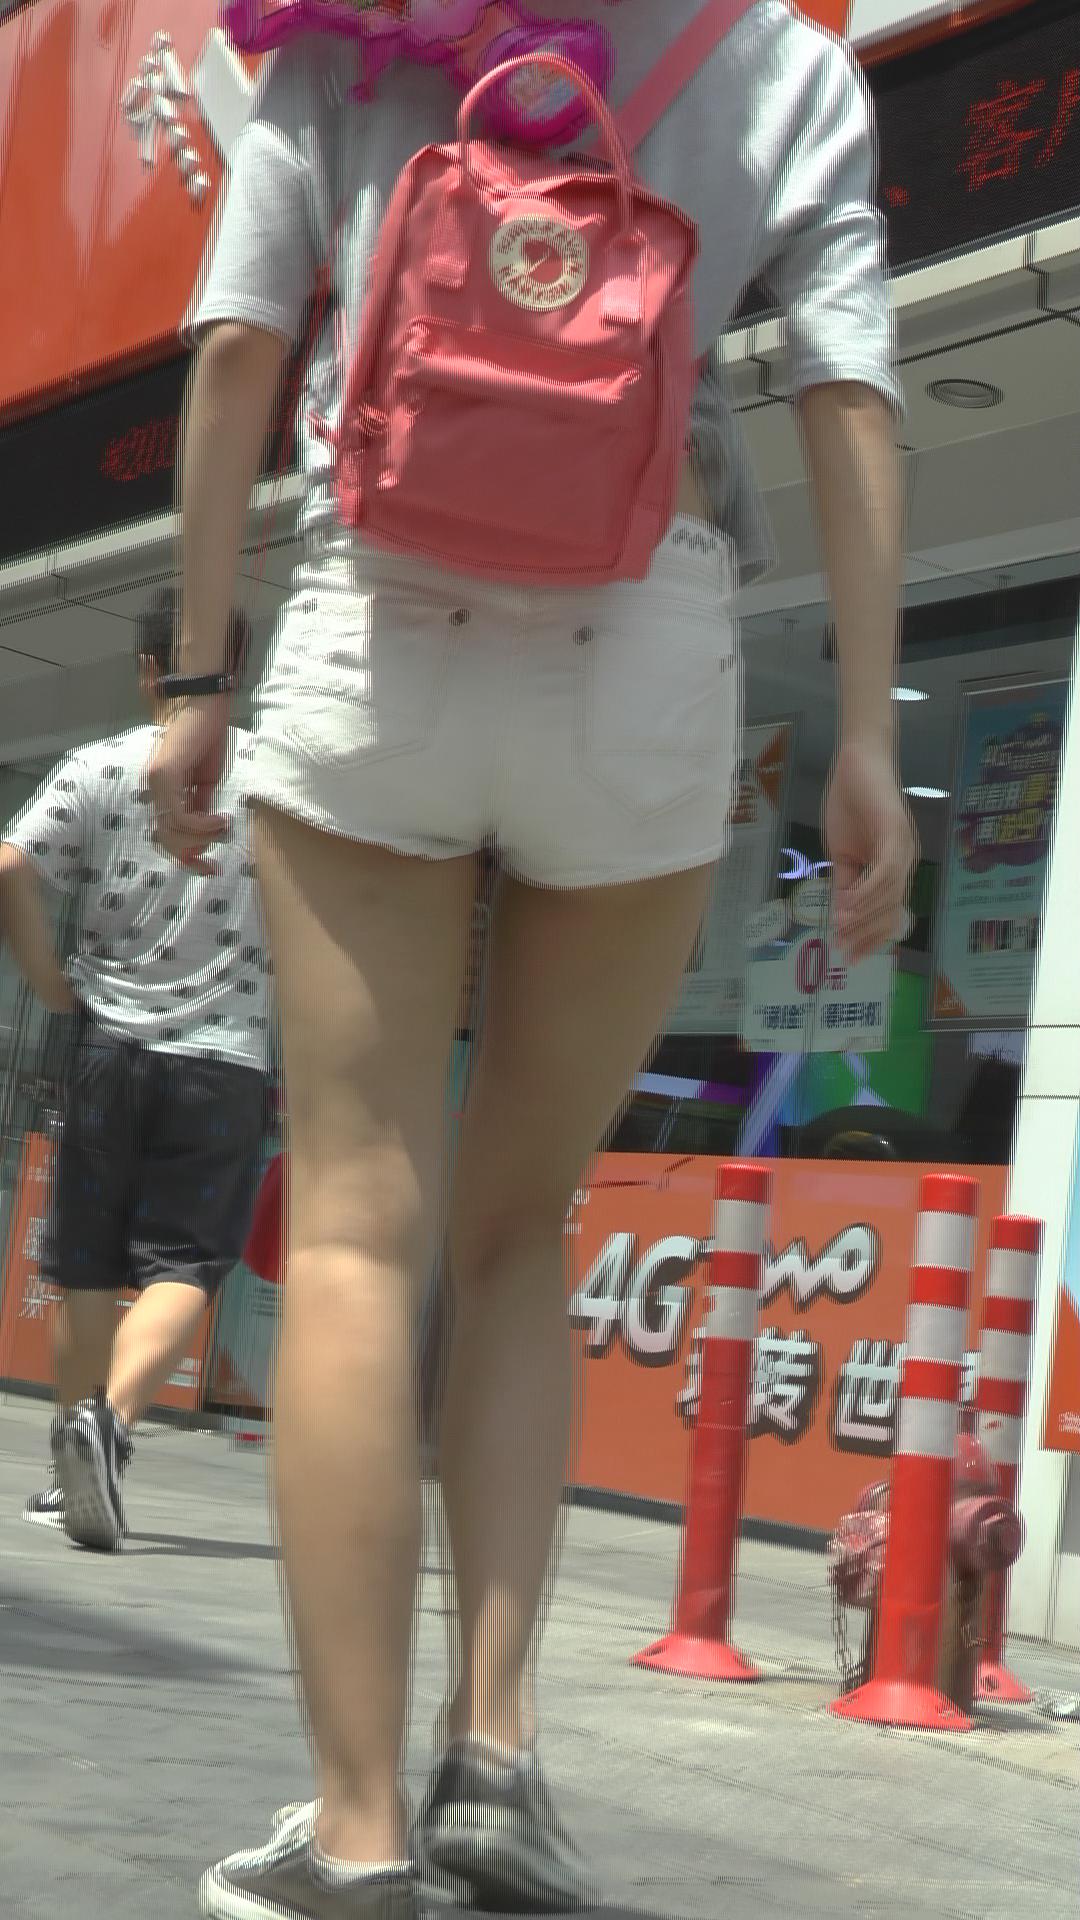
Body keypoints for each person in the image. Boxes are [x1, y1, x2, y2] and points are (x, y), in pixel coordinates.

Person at [150, 4, 917, 1915]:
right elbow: (845, 387)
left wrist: (197, 672)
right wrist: (866, 738)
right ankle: (494, 1764)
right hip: (642, 636)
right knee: (516, 1231)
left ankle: (355, 1839)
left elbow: (239, 342)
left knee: (355, 1228)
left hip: (377, 615)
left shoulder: (345, 30)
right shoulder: (785, 64)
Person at [0, 590, 272, 1550]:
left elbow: (10, 866)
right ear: (243, 669)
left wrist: (52, 984)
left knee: (85, 1263)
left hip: (105, 1047)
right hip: (226, 1059)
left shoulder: (102, 764)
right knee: (185, 1263)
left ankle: (65, 1470)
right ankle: (110, 1429)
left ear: (151, 669)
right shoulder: (274, 780)